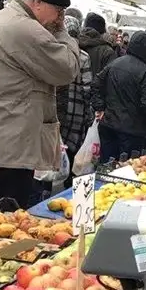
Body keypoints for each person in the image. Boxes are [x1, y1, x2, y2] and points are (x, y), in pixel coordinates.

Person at [0, 0, 80, 207]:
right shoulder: (23, 28)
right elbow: (67, 67)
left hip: (0, 135)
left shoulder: (0, 18)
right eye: (58, 10)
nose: (59, 17)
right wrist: (62, 32)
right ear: (38, 2)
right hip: (12, 141)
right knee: (7, 215)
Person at [91, 31, 146, 161]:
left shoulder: (115, 63)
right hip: (133, 131)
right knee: (128, 172)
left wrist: (99, 107)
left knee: (106, 167)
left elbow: (96, 84)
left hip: (108, 125)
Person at [56, 11, 94, 174]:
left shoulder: (51, 51)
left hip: (54, 111)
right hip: (75, 113)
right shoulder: (82, 56)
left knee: (52, 152)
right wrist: (88, 115)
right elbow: (87, 88)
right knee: (71, 152)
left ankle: (45, 190)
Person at [81, 12, 117, 77]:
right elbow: (111, 77)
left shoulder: (74, 43)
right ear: (103, 31)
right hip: (96, 86)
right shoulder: (107, 51)